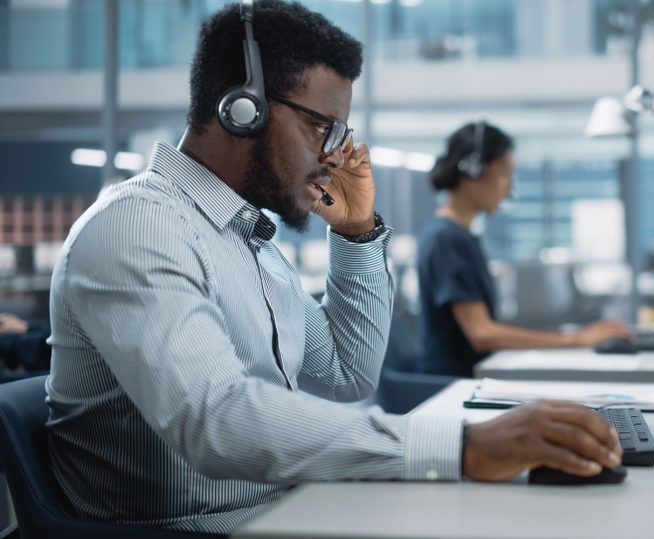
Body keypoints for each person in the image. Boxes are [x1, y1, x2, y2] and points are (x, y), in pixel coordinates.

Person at [45, 2, 620, 534]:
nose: (334, 157)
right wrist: (462, 446)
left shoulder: (252, 245)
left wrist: (357, 233)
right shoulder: (139, 228)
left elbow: (348, 372)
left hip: (281, 510)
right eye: (323, 128)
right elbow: (216, 419)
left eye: (341, 135)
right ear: (242, 110)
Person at [416, 122, 633, 377]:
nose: (509, 189)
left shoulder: (459, 236)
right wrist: (576, 340)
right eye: (505, 173)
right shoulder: (446, 239)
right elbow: (482, 334)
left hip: (473, 376)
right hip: (452, 386)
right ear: (474, 171)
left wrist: (570, 335)